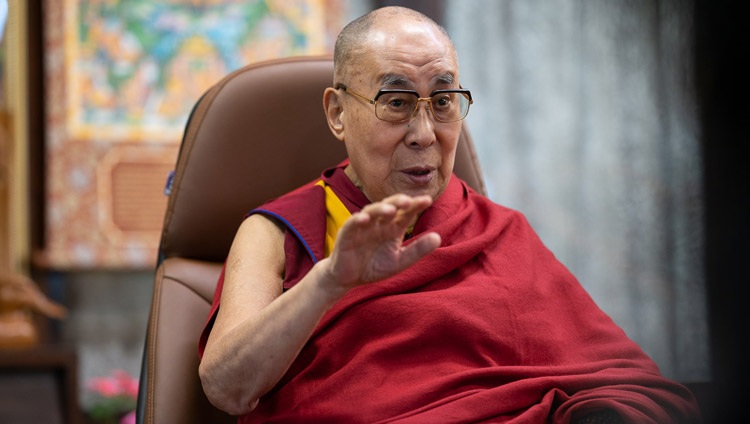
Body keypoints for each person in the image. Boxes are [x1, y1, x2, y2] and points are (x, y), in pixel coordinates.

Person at [198, 6, 701, 423]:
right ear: (337, 113)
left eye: (442, 102)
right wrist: (329, 281)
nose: (424, 133)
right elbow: (227, 388)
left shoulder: (497, 231)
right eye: (396, 102)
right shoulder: (276, 233)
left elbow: (623, 381)